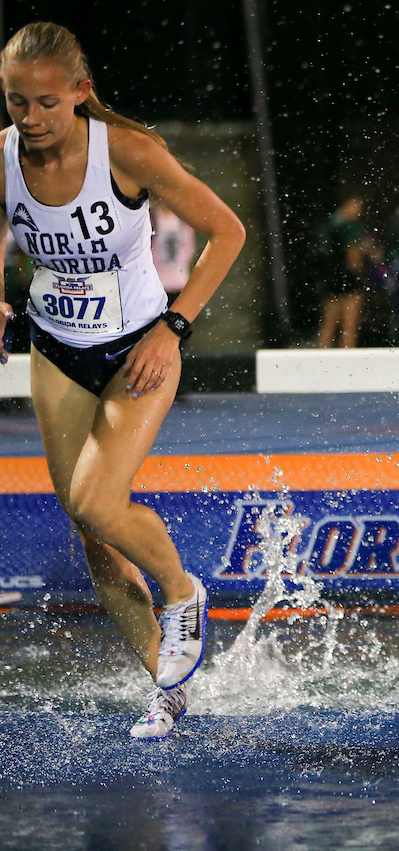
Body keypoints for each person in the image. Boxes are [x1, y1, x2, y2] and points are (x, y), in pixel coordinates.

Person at [0, 23, 244, 738]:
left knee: (98, 502)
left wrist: (175, 326)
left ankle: (181, 589)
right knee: (90, 528)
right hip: (56, 351)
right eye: (16, 102)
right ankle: (167, 689)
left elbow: (227, 231)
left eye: (45, 102)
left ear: (80, 92)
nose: (30, 118)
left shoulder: (129, 153)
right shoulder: (5, 158)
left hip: (140, 350)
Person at [315, 191, 367, 348]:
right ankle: (347, 360)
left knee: (329, 323)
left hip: (330, 278)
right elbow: (353, 256)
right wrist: (360, 271)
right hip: (347, 279)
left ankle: (322, 357)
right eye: (357, 205)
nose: (359, 210)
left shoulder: (329, 224)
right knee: (349, 325)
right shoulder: (350, 226)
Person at [150, 205, 195, 307]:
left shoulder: (152, 217)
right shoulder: (183, 220)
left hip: (164, 284)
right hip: (174, 283)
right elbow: (189, 251)